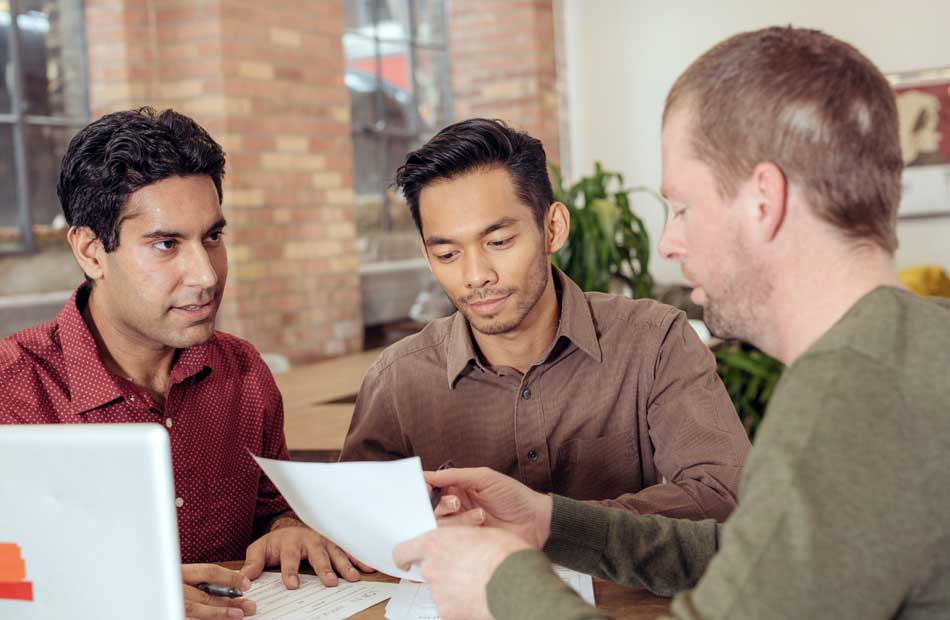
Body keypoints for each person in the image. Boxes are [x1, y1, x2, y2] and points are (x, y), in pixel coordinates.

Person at [392, 26, 950, 620]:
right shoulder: (915, 346)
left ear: (764, 200)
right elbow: (754, 557)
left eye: (682, 206)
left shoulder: (847, 395)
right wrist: (552, 521)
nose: (670, 241)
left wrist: (500, 588)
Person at [0, 108, 369, 620]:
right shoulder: (12, 392)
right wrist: (121, 594)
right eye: (166, 244)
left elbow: (271, 507)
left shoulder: (243, 372)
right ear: (90, 252)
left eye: (213, 237)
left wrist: (288, 529)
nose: (206, 275)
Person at [341, 118, 750, 522]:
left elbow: (722, 494)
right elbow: (356, 523)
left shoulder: (653, 342)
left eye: (498, 242)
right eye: (448, 254)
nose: (476, 275)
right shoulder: (397, 379)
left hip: (618, 591)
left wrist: (549, 522)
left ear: (552, 228)